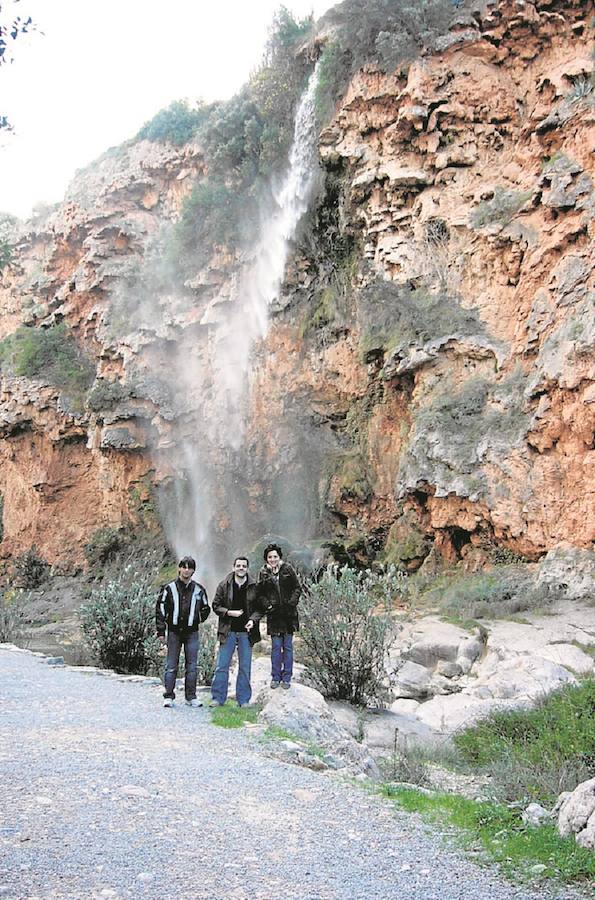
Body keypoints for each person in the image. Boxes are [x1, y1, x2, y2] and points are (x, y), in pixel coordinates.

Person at [210, 556, 266, 708]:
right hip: (227, 631)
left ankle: (243, 700)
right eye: (238, 565)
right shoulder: (224, 585)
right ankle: (217, 698)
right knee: (222, 666)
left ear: (247, 568)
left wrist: (252, 620)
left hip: (246, 633)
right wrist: (229, 612)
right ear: (233, 567)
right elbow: (215, 605)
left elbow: (261, 608)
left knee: (245, 667)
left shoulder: (255, 586)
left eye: (244, 566)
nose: (241, 568)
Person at [156, 555, 210, 709]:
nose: (186, 570)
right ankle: (168, 696)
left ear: (193, 570)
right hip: (174, 631)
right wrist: (161, 631)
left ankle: (191, 696)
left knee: (192, 666)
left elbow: (206, 608)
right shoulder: (169, 588)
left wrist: (197, 619)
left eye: (190, 567)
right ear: (179, 568)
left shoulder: (199, 589)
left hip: (192, 632)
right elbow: (160, 609)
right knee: (171, 665)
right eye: (184, 567)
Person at [258, 543, 301, 690]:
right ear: (266, 559)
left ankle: (287, 677)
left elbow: (297, 587)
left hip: (288, 615)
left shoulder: (287, 569)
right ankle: (275, 677)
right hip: (274, 616)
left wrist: (291, 603)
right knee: (276, 647)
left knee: (288, 647)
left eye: (275, 556)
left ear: (279, 557)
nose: (273, 559)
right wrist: (268, 606)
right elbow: (260, 593)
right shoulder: (263, 573)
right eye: (270, 557)